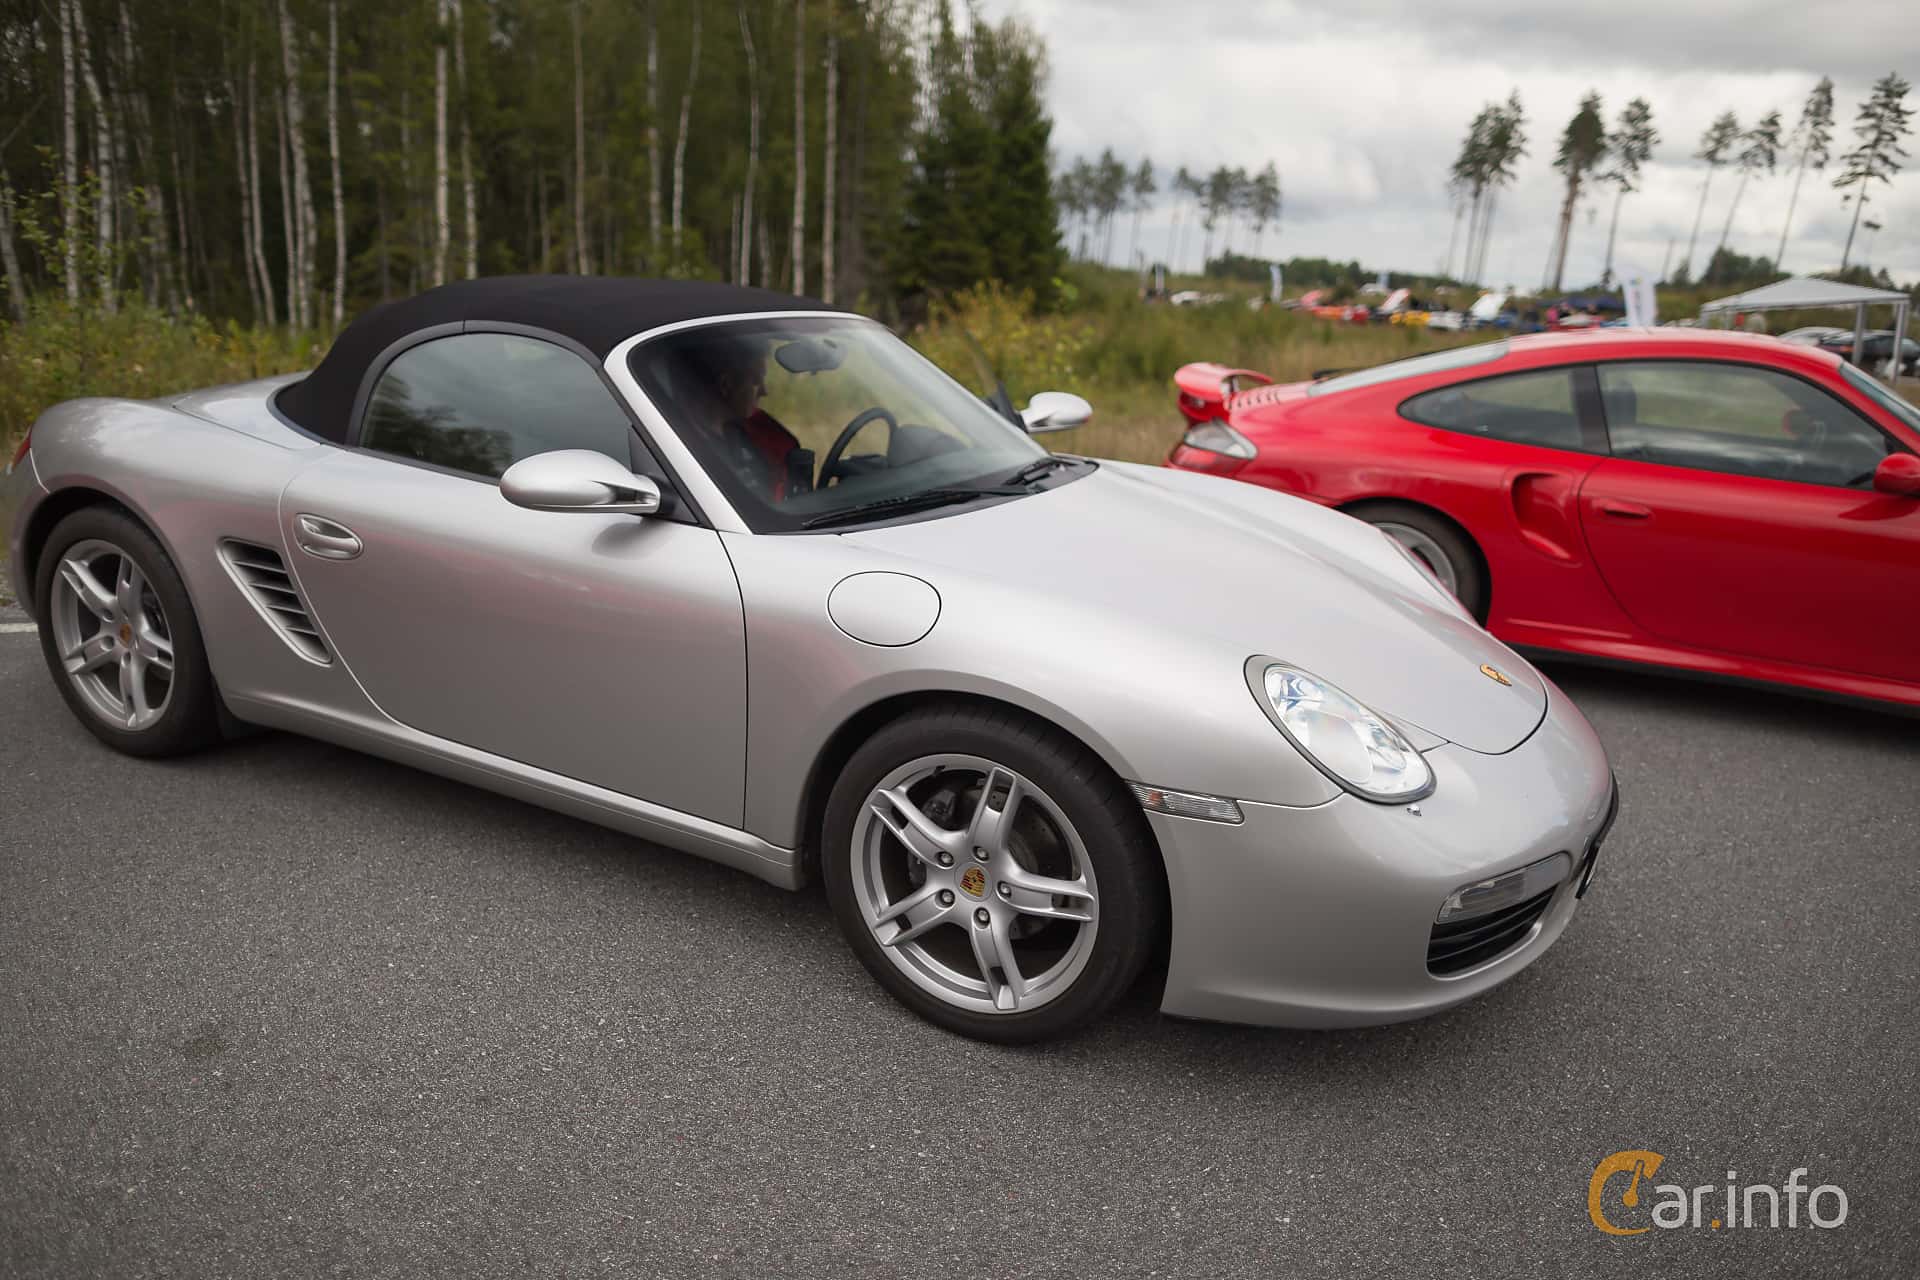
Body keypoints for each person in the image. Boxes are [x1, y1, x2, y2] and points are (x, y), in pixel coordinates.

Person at [684, 336, 810, 502]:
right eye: (756, 381)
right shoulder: (688, 452)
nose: (764, 391)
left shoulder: (744, 436)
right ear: (726, 385)